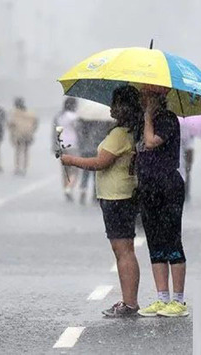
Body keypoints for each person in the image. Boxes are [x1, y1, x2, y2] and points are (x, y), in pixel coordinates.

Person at [60, 86, 143, 317]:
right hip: (123, 194)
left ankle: (130, 303)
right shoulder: (131, 131)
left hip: (117, 196)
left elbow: (101, 162)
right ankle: (129, 300)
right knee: (124, 250)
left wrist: (71, 160)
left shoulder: (119, 134)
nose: (112, 108)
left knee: (123, 250)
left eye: (116, 104)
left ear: (124, 107)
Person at [136, 85, 188, 318]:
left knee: (172, 241)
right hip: (148, 188)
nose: (142, 100)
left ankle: (178, 300)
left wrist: (148, 117)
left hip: (168, 186)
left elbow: (150, 142)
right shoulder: (144, 120)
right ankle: (161, 298)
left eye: (146, 97)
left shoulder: (167, 120)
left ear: (157, 98)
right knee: (155, 243)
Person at [53, 98, 80, 200]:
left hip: (61, 145)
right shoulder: (74, 117)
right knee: (75, 170)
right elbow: (79, 131)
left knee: (65, 170)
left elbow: (57, 131)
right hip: (73, 145)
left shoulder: (60, 117)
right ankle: (69, 188)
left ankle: (65, 188)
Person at [8, 97, 39, 176]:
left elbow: (11, 125)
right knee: (26, 151)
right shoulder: (30, 113)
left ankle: (17, 167)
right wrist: (32, 130)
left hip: (18, 135)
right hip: (27, 134)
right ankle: (24, 167)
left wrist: (11, 135)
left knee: (18, 151)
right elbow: (35, 122)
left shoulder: (14, 113)